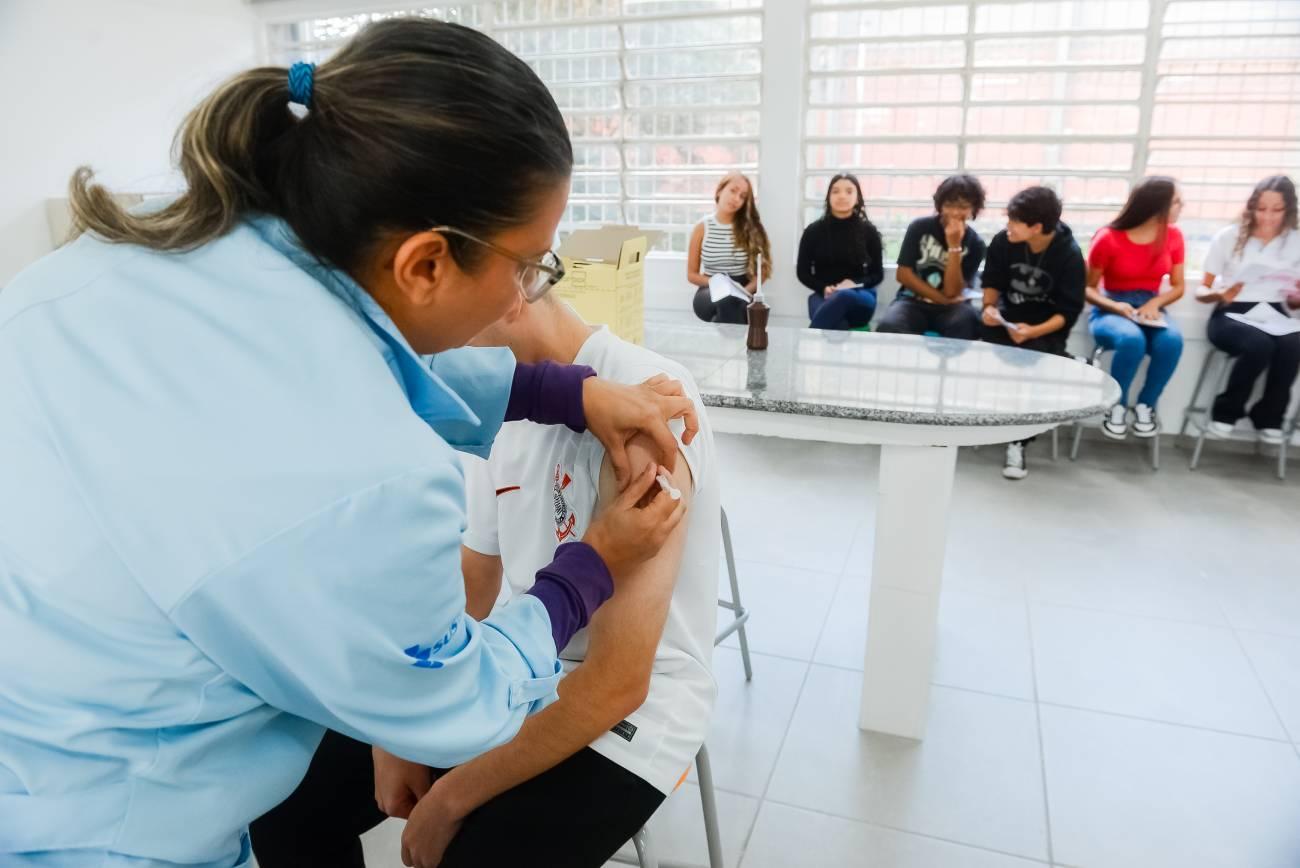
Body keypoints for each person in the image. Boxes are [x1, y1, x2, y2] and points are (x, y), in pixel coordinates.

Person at [0, 20, 698, 868]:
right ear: (426, 263)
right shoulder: (377, 484)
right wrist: (593, 564)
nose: (527, 294)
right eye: (527, 265)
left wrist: (563, 389)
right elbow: (455, 693)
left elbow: (312, 373)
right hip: (113, 832)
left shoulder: (113, 264)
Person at [372, 294, 720, 868]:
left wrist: (451, 798)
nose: (424, 347)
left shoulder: (648, 397)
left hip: (633, 709)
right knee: (305, 798)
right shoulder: (493, 403)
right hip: (525, 662)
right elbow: (475, 579)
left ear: (506, 290)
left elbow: (618, 682)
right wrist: (393, 725)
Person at [979, 186, 1086, 479]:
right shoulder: (1004, 242)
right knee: (966, 340)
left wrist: (1032, 331)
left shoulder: (1069, 254)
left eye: (1015, 222)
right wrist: (989, 310)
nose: (1008, 227)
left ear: (1037, 227)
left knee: (1033, 364)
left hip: (1043, 330)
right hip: (1006, 321)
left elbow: (1068, 313)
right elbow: (991, 284)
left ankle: (1018, 442)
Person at [1195, 175, 1300, 444]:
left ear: (1289, 209)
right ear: (1251, 207)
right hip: (1231, 311)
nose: (1268, 217)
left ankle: (1269, 416)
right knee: (1259, 344)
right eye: (1261, 209)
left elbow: (1292, 304)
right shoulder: (1229, 237)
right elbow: (1201, 291)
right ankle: (1226, 413)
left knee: (1293, 343)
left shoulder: (1295, 240)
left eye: (1277, 210)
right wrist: (1220, 293)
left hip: (1274, 311)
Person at [1085, 176, 1186, 439]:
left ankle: (1146, 405)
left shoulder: (1174, 236)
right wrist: (1116, 307)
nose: (1181, 206)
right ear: (1157, 205)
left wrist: (1155, 302)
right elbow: (1088, 289)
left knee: (1171, 342)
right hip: (1110, 307)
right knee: (1131, 340)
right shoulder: (1107, 238)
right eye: (1176, 201)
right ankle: (1115, 406)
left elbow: (1178, 286)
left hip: (1150, 307)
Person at [875, 174, 987, 339]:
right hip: (912, 302)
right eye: (949, 205)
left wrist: (954, 246)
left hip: (953, 308)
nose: (955, 212)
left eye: (963, 207)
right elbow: (903, 274)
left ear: (974, 209)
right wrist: (940, 299)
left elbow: (952, 292)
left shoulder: (976, 243)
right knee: (889, 325)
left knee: (967, 324)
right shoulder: (919, 228)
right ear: (940, 205)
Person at [797, 173, 884, 330]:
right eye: (836, 191)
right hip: (824, 295)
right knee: (837, 324)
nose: (842, 196)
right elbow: (802, 272)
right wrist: (824, 288)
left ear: (857, 198)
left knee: (843, 296)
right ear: (828, 197)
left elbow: (877, 274)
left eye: (849, 191)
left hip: (860, 296)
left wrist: (854, 283)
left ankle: (804, 344)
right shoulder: (813, 231)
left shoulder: (868, 231)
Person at [688, 172, 773, 324]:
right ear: (720, 190)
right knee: (727, 300)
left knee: (729, 307)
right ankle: (736, 344)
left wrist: (745, 292)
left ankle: (721, 345)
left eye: (742, 196)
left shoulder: (750, 229)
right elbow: (691, 274)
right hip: (709, 287)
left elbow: (763, 271)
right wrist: (720, 285)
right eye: (733, 191)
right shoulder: (702, 228)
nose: (736, 198)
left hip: (743, 287)